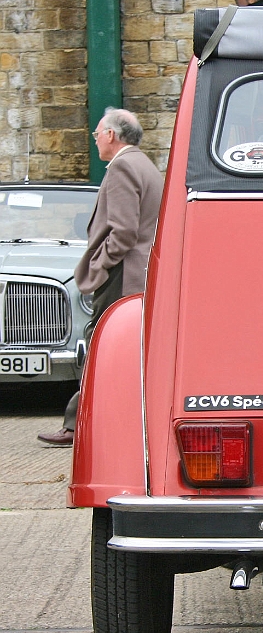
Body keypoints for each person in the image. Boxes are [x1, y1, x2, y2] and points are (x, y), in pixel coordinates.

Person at [37, 108, 163, 446]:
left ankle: (78, 424)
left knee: (101, 344)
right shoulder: (144, 165)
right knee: (125, 348)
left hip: (122, 272)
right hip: (137, 271)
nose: (95, 140)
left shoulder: (123, 167)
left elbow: (123, 232)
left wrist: (101, 264)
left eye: (97, 133)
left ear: (111, 135)